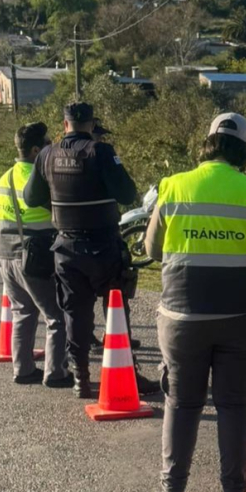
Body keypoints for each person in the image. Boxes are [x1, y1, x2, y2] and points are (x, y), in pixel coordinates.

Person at [144, 113, 246, 492]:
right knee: (236, 403)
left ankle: (172, 491)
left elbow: (152, 250)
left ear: (207, 143)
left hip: (181, 316)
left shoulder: (172, 187)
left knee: (181, 403)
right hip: (243, 316)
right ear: (243, 151)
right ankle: (235, 491)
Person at [24, 103, 158, 398]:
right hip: (104, 247)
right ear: (91, 124)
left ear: (65, 124)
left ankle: (81, 380)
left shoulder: (47, 155)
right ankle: (127, 374)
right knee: (116, 314)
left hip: (66, 248)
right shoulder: (101, 151)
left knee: (75, 314)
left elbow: (30, 197)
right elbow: (126, 194)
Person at [0, 122, 71, 387]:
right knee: (56, 316)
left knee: (23, 313)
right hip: (34, 258)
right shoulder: (42, 177)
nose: (51, 147)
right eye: (48, 143)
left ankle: (23, 369)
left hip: (5, 256)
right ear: (37, 149)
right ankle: (55, 373)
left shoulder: (6, 177)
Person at [90, 119, 140, 354]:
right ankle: (117, 338)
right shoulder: (103, 158)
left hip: (75, 238)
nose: (100, 140)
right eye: (97, 135)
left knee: (90, 295)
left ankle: (110, 335)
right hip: (104, 236)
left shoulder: (61, 157)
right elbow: (126, 192)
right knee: (115, 289)